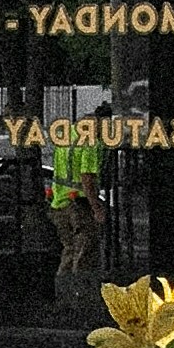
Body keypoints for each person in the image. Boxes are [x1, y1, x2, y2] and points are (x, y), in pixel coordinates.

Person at [49, 108, 107, 301]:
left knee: (69, 251)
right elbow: (87, 177)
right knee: (85, 254)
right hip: (79, 205)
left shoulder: (66, 137)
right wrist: (96, 207)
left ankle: (63, 299)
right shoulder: (90, 141)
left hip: (59, 203)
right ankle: (81, 300)